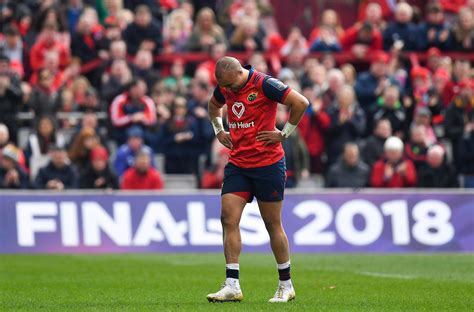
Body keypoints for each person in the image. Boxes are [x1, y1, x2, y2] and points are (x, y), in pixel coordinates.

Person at [206, 57, 309, 303]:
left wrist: (283, 134)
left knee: (272, 224)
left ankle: (286, 285)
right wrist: (219, 130)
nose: (228, 92)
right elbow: (213, 105)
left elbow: (301, 103)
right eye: (224, 87)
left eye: (231, 86)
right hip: (239, 164)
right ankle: (232, 285)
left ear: (241, 73)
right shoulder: (225, 86)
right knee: (228, 218)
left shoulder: (265, 84)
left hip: (268, 164)